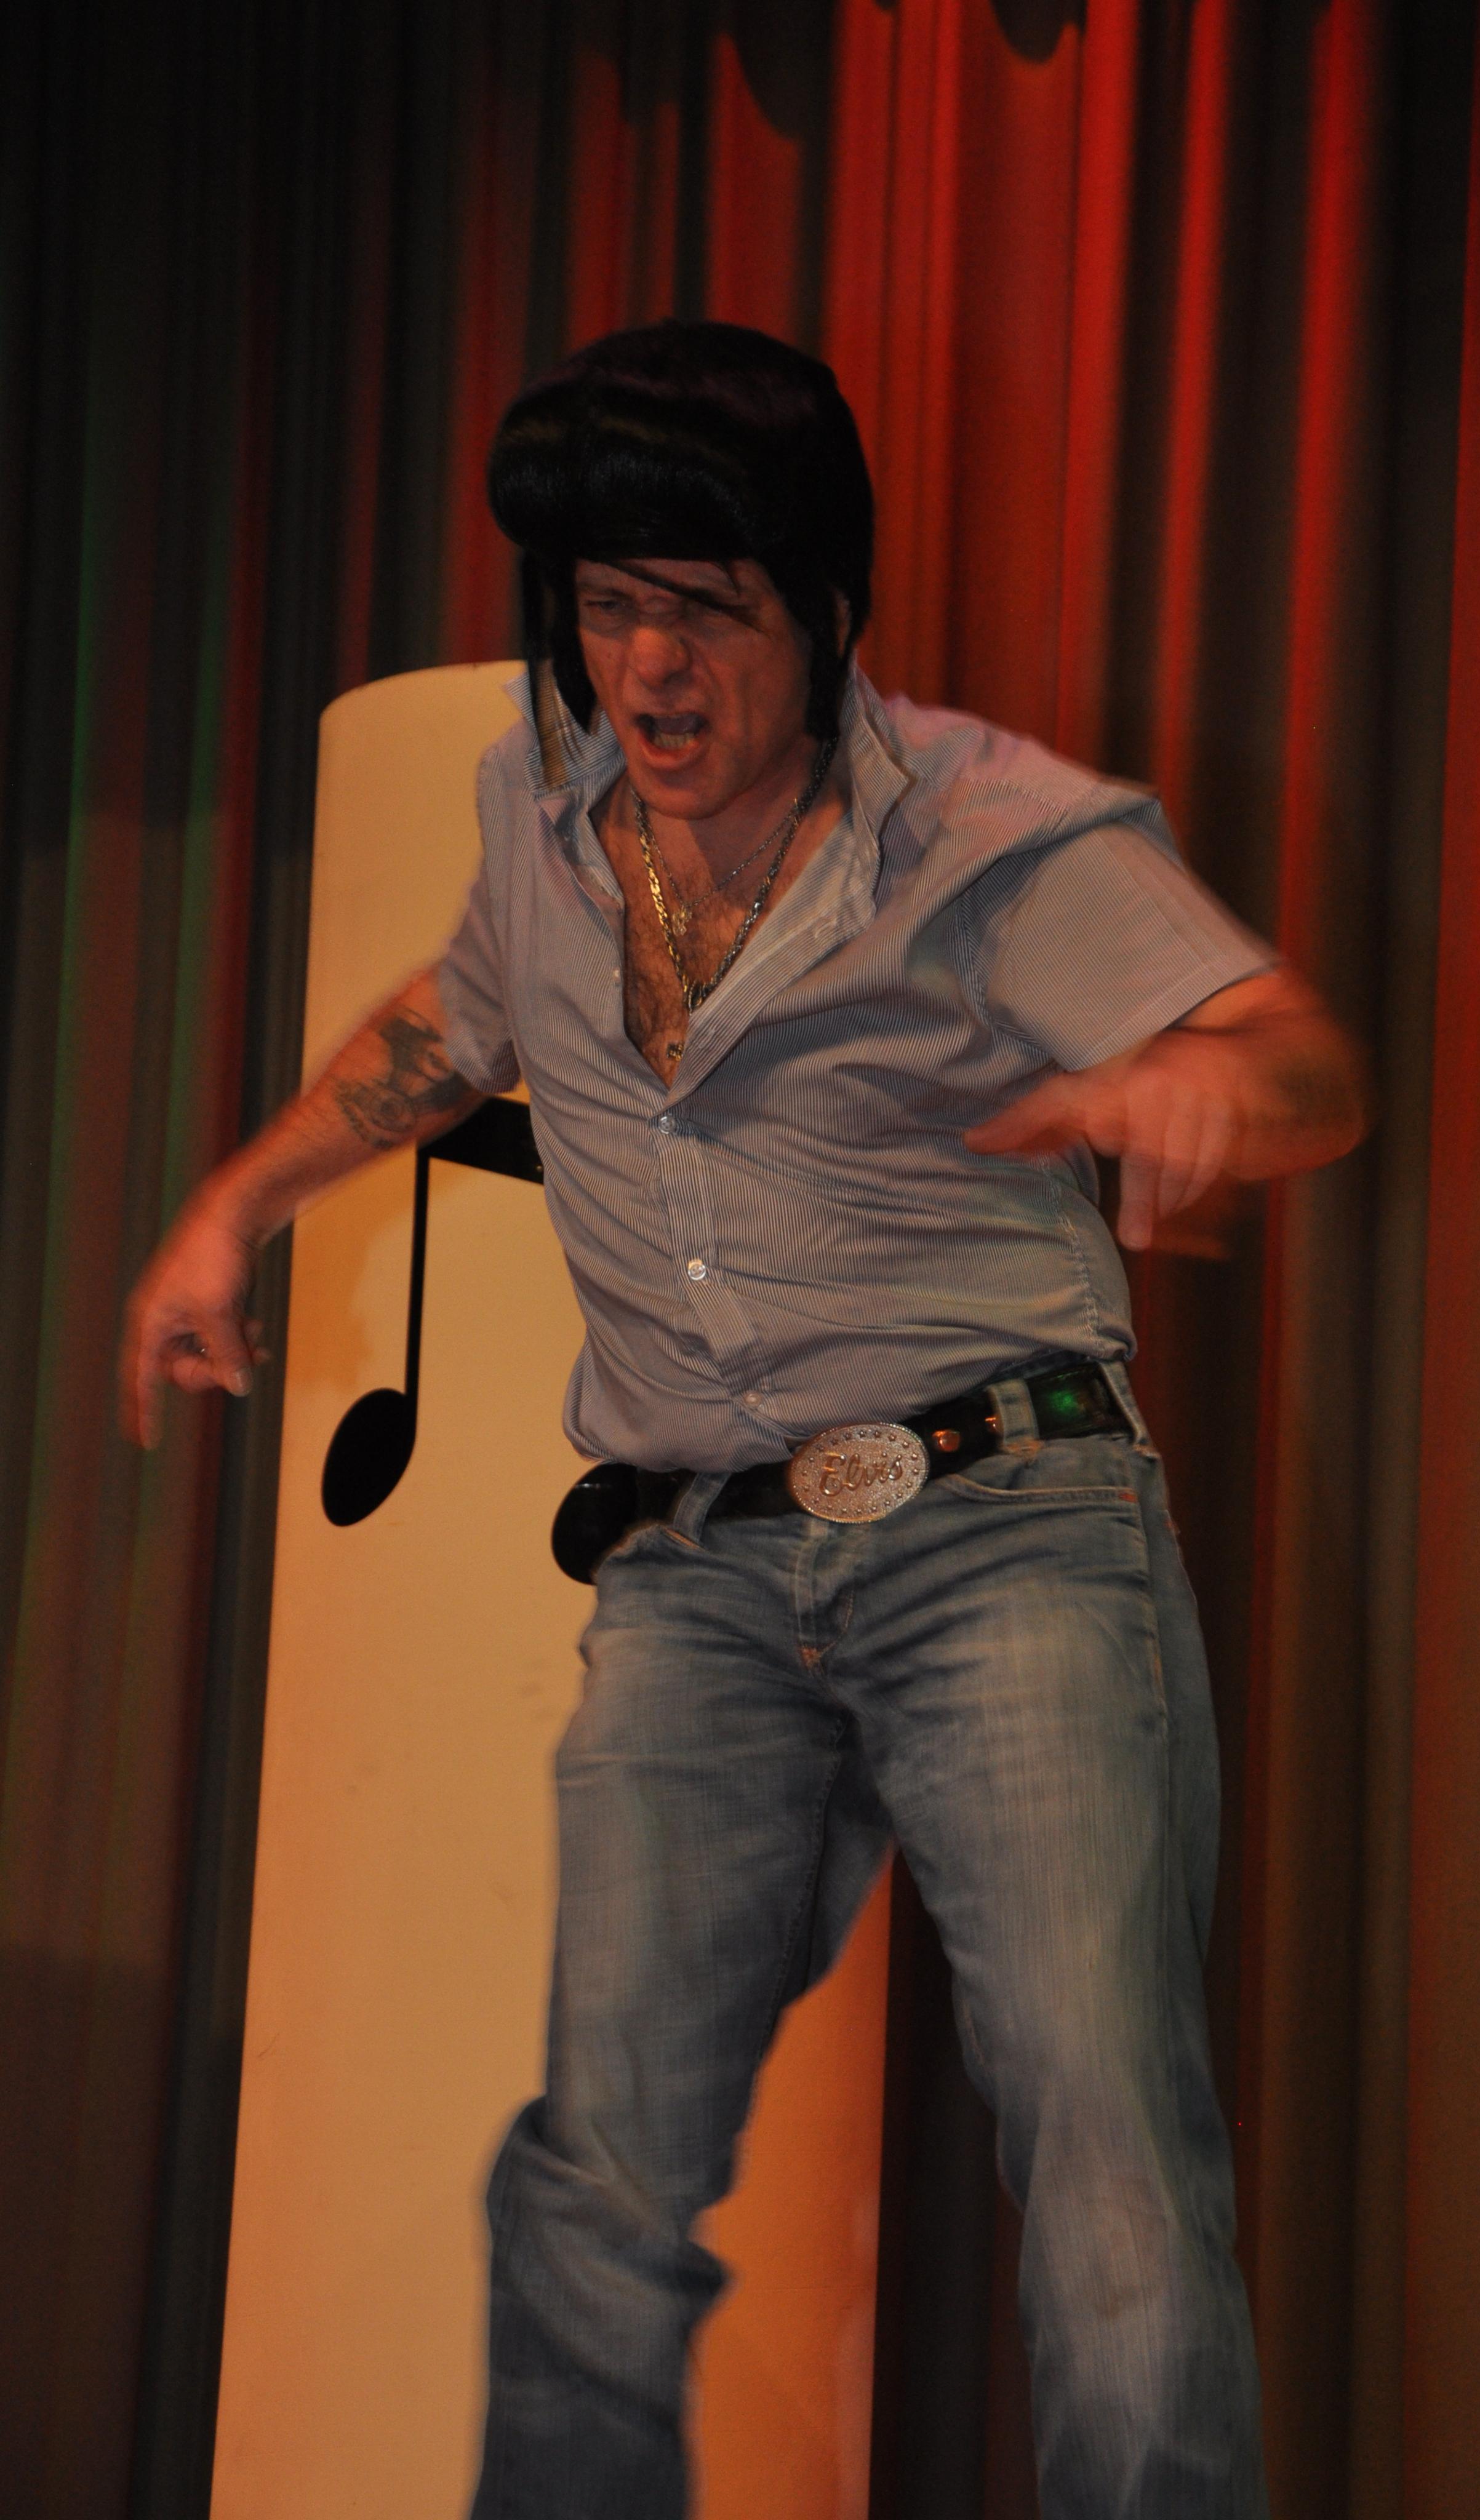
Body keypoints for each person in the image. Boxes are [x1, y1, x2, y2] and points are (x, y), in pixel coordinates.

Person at [122, 320, 1365, 2519]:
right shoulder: (540, 820)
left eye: (707, 611)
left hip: (1004, 1526)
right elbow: (450, 1022)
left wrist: (1204, 1083)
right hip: (697, 1565)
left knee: (1106, 2160)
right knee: (595, 2175)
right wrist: (239, 1205)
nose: (652, 671)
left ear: (822, 609)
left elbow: (1299, 1060)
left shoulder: (990, 830)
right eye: (611, 608)